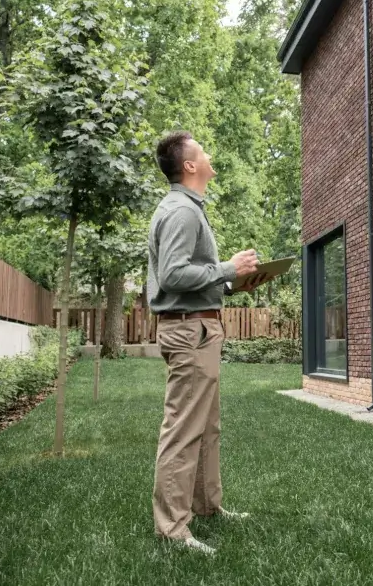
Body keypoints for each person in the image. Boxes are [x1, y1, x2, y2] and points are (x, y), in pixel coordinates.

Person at [147, 130, 260, 555]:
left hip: (200, 327)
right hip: (190, 332)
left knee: (206, 427)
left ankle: (206, 506)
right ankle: (172, 530)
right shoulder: (181, 211)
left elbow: (190, 276)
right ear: (190, 166)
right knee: (182, 430)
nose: (210, 154)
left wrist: (230, 283)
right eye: (203, 150)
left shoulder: (187, 209)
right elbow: (173, 275)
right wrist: (227, 267)